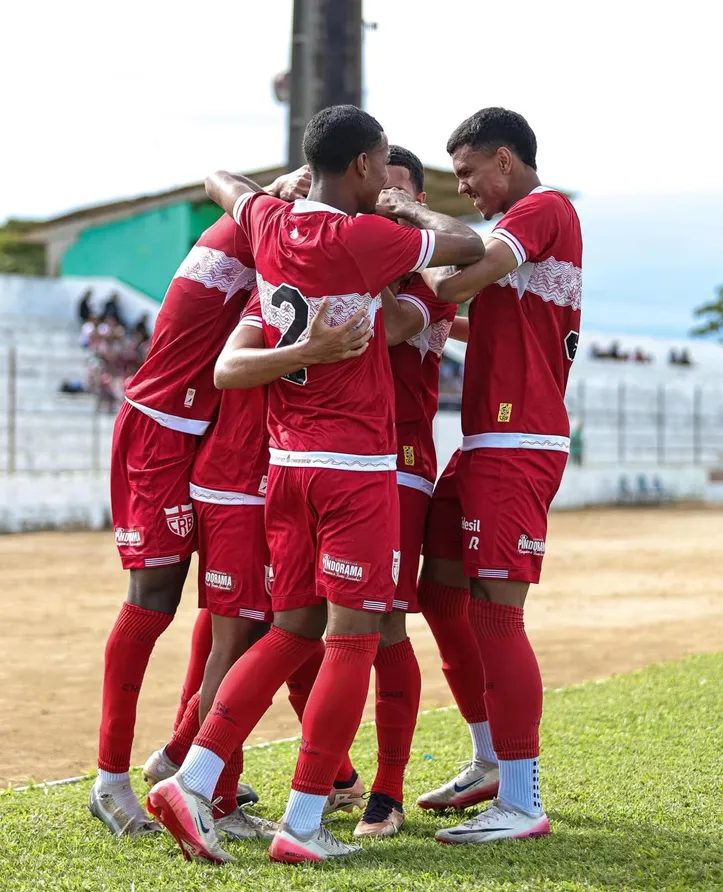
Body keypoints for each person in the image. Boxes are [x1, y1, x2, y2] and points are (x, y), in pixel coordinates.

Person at [146, 104, 484, 865]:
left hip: (285, 466)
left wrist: (275, 188)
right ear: (364, 166)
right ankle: (302, 824)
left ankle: (194, 777)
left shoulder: (269, 220)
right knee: (353, 640)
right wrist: (408, 210)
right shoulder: (364, 236)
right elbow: (469, 243)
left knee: (294, 630)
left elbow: (220, 182)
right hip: (353, 470)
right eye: (382, 169)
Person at [88, 168, 311, 838]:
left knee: (225, 612)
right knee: (153, 604)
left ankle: (195, 769)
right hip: (160, 430)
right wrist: (280, 188)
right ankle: (109, 781)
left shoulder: (266, 232)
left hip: (201, 439)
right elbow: (220, 180)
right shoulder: (262, 227)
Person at [417, 107, 582, 844]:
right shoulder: (530, 232)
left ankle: (521, 801)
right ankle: (488, 760)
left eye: (467, 174)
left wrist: (410, 228)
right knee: (437, 588)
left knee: (495, 612)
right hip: (487, 438)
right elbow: (478, 315)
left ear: (505, 162)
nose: (466, 190)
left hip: (518, 440)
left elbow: (458, 286)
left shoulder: (542, 208)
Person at [349, 145, 457, 839]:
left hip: (398, 463)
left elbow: (387, 328)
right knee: (296, 617)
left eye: (397, 199)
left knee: (381, 622)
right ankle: (326, 775)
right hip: (322, 459)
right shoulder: (339, 258)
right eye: (374, 196)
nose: (381, 209)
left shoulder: (428, 280)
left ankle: (386, 791)